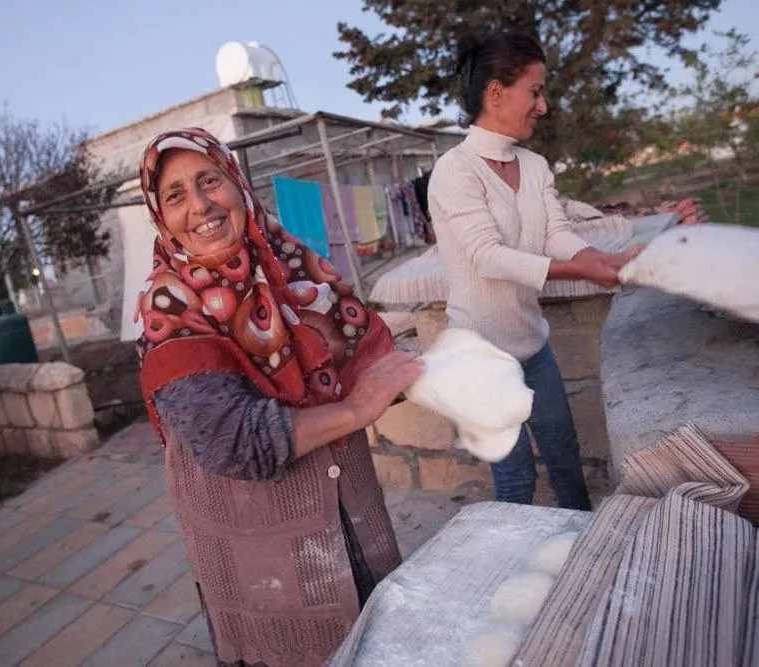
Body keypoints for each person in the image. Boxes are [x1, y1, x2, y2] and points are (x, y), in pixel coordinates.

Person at [135, 128, 422, 667]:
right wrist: (357, 410)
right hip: (263, 552)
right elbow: (235, 442)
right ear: (159, 214)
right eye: (175, 195)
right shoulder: (168, 314)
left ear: (237, 184)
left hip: (351, 518)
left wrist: (433, 371)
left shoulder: (289, 267)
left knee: (375, 644)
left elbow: (362, 362)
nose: (200, 206)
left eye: (209, 181)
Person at [427, 32, 641, 511]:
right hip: (481, 356)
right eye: (535, 90)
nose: (543, 106)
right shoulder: (455, 171)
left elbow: (555, 233)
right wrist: (583, 271)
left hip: (533, 346)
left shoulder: (535, 165)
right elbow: (489, 256)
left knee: (566, 458)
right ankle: (517, 573)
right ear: (497, 92)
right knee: (516, 481)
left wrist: (599, 259)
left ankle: (582, 559)